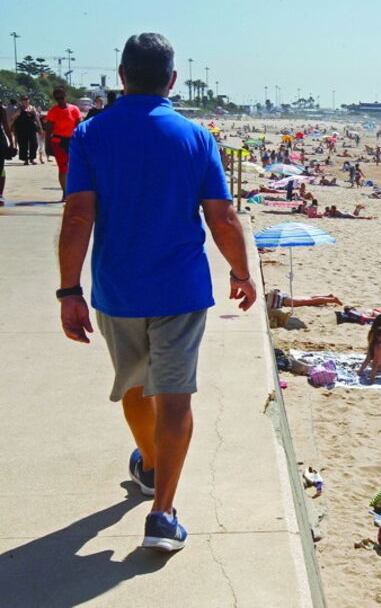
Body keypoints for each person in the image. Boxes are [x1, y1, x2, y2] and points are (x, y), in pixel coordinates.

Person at [57, 33, 257, 552]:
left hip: (118, 290)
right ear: (171, 80)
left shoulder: (91, 134)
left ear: (122, 76)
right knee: (174, 397)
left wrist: (68, 290)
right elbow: (222, 216)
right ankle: (162, 512)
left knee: (133, 386)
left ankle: (148, 462)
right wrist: (241, 272)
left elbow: (78, 214)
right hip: (180, 290)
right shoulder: (195, 137)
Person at [44, 86, 83, 196]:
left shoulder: (74, 109)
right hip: (58, 142)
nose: (60, 100)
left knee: (74, 166)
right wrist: (47, 146)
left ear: (65, 96)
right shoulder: (53, 111)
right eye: (57, 98)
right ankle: (65, 192)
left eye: (61, 97)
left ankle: (74, 190)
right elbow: (48, 131)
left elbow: (80, 127)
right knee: (63, 168)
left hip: (72, 142)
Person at [12, 95, 42, 165]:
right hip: (21, 129)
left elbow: (37, 119)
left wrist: (40, 128)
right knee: (23, 144)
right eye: (23, 99)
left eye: (26, 99)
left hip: (32, 129)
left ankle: (32, 158)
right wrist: (16, 114)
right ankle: (25, 159)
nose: (25, 100)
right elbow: (13, 117)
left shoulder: (32, 108)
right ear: (21, 101)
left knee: (34, 144)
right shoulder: (19, 108)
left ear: (29, 100)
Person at [265, 288, 342, 309]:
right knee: (309, 299)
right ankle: (328, 297)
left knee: (309, 301)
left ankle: (333, 300)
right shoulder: (266, 296)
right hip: (285, 298)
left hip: (286, 301)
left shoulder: (265, 299)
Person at [0, 102, 14, 204]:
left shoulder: (1, 109)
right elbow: (5, 125)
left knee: (0, 167)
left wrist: (11, 141)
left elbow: (5, 125)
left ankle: (0, 194)